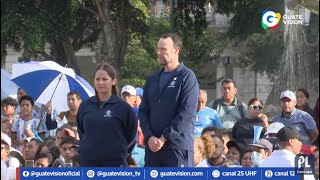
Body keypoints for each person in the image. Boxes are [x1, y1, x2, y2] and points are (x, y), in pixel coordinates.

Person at [140, 33, 199, 167]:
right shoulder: (152, 79)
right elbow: (143, 111)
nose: (159, 53)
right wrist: (149, 137)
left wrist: (164, 137)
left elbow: (186, 113)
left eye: (163, 49)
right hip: (153, 148)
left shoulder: (187, 77)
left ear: (176, 50)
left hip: (177, 148)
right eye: (158, 49)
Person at [77, 63, 138, 167]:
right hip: (89, 162)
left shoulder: (123, 107)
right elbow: (82, 131)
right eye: (97, 79)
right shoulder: (85, 106)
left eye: (105, 79)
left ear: (113, 81)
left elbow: (131, 135)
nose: (100, 82)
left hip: (115, 163)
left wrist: (121, 152)